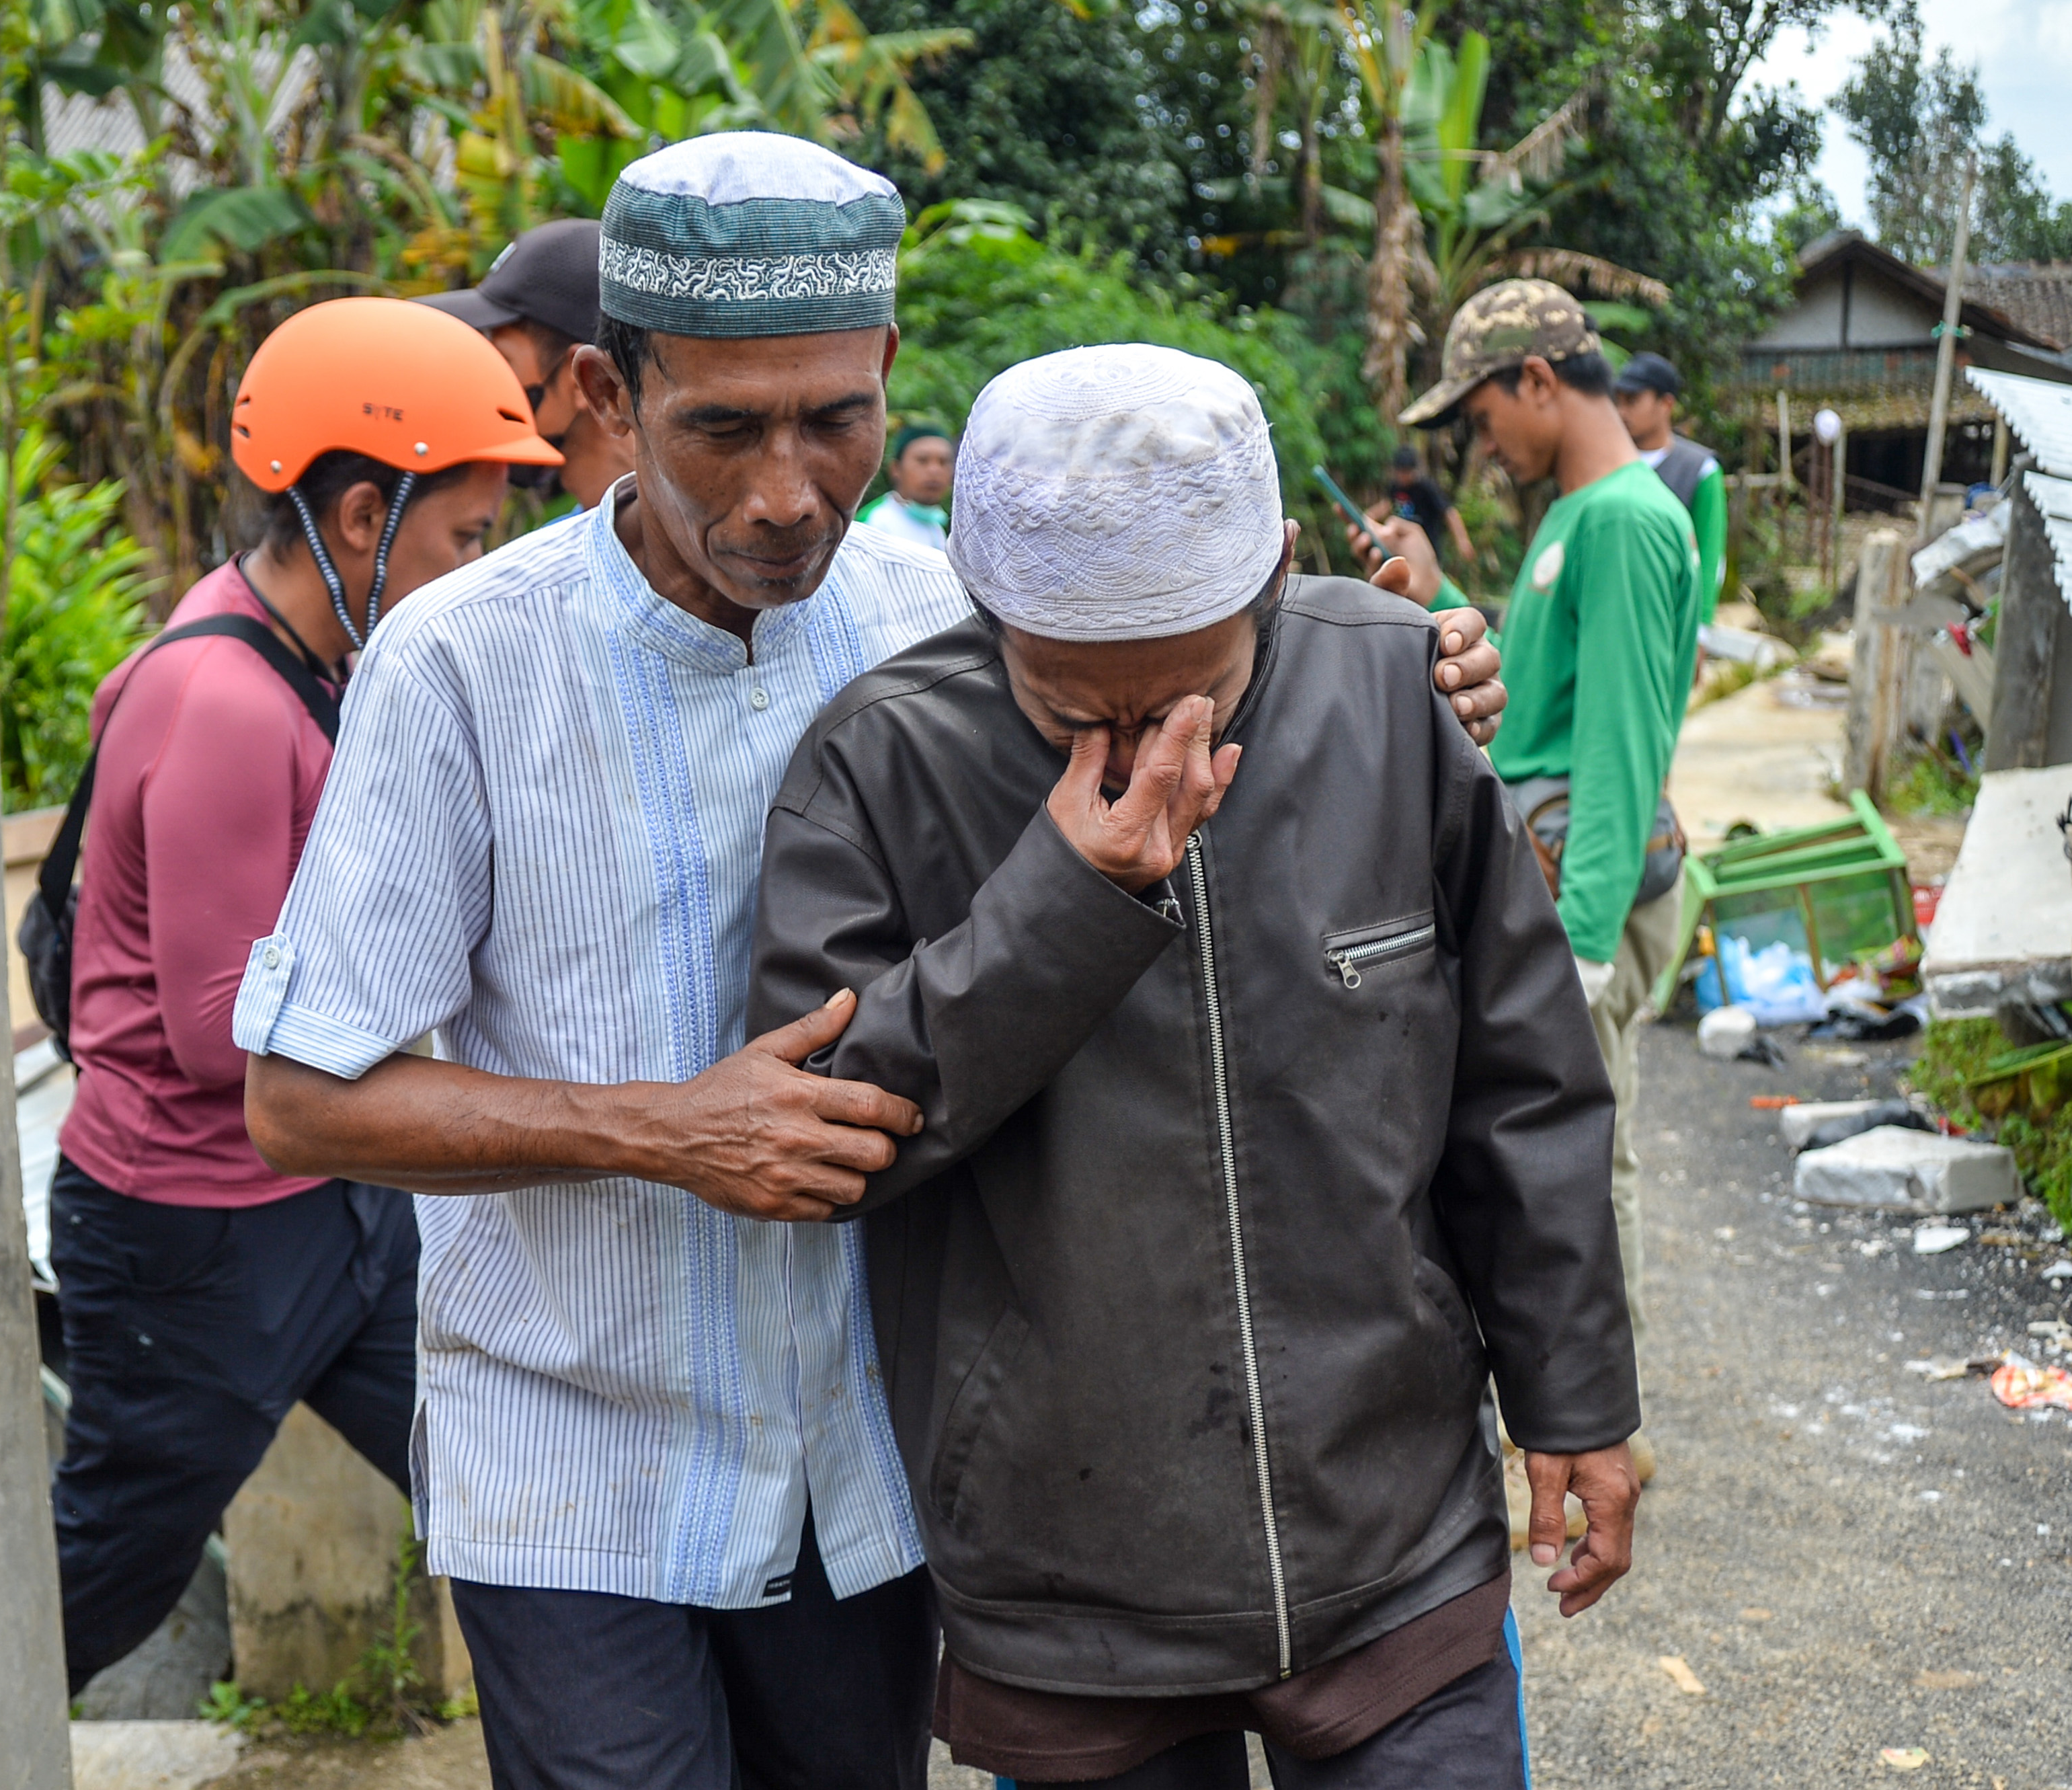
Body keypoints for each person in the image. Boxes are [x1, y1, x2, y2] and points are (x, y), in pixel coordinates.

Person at [231, 134, 1509, 1790]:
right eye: (721, 429)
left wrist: (1403, 670)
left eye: (832, 422)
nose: (784, 492)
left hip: (872, 1466)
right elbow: (296, 1100)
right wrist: (657, 1127)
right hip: (576, 1468)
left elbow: (1206, 679)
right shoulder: (458, 665)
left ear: (890, 374)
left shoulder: (949, 619)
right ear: (611, 397)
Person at [748, 342, 1640, 1790]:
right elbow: (821, 1137)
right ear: (984, 601)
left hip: (1391, 1542)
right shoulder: (876, 763)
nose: (1153, 750)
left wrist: (1575, 1397)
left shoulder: (1388, 692)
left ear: (1274, 575)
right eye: (1072, 709)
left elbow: (1520, 1084)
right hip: (1065, 1586)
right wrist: (1059, 898)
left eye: (1195, 695)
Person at [48, 297, 559, 1693]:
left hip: (324, 1206)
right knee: (107, 1570)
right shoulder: (222, 698)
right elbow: (224, 1032)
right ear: (353, 521)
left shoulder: (306, 658)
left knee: (502, 1470)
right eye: (463, 539)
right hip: (191, 1236)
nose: (478, 570)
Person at [1396, 282, 1709, 1484]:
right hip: (1548, 872)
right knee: (1562, 1153)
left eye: (1482, 415)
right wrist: (1434, 598)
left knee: (1584, 1158)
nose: (1483, 445)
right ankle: (1576, 1411)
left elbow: (1621, 744)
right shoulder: (1579, 513)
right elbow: (1531, 708)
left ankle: (1592, 1429)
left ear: (1537, 379)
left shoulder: (1625, 519)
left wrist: (1577, 941)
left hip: (1587, 885)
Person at [420, 217, 635, 507]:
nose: (486, 379)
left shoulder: (694, 547)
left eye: (504, 361)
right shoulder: (566, 541)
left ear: (588, 381)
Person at [1613, 352, 1728, 611]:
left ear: (1666, 404)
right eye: (1618, 401)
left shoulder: (1700, 469)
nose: (1622, 412)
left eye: (1632, 401)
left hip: (1670, 612)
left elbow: (1709, 559)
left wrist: (1701, 631)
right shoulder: (1604, 462)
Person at [1369, 443, 1474, 565]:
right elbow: (1386, 505)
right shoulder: (1395, 487)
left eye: (1406, 472)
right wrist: (1368, 518)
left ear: (1414, 470)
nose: (1403, 477)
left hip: (1428, 551)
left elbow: (1449, 513)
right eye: (1400, 472)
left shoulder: (1426, 488)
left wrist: (1462, 541)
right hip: (1403, 552)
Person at [858, 422, 953, 550]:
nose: (935, 470)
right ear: (896, 469)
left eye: (943, 462)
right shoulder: (873, 523)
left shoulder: (935, 526)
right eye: (922, 460)